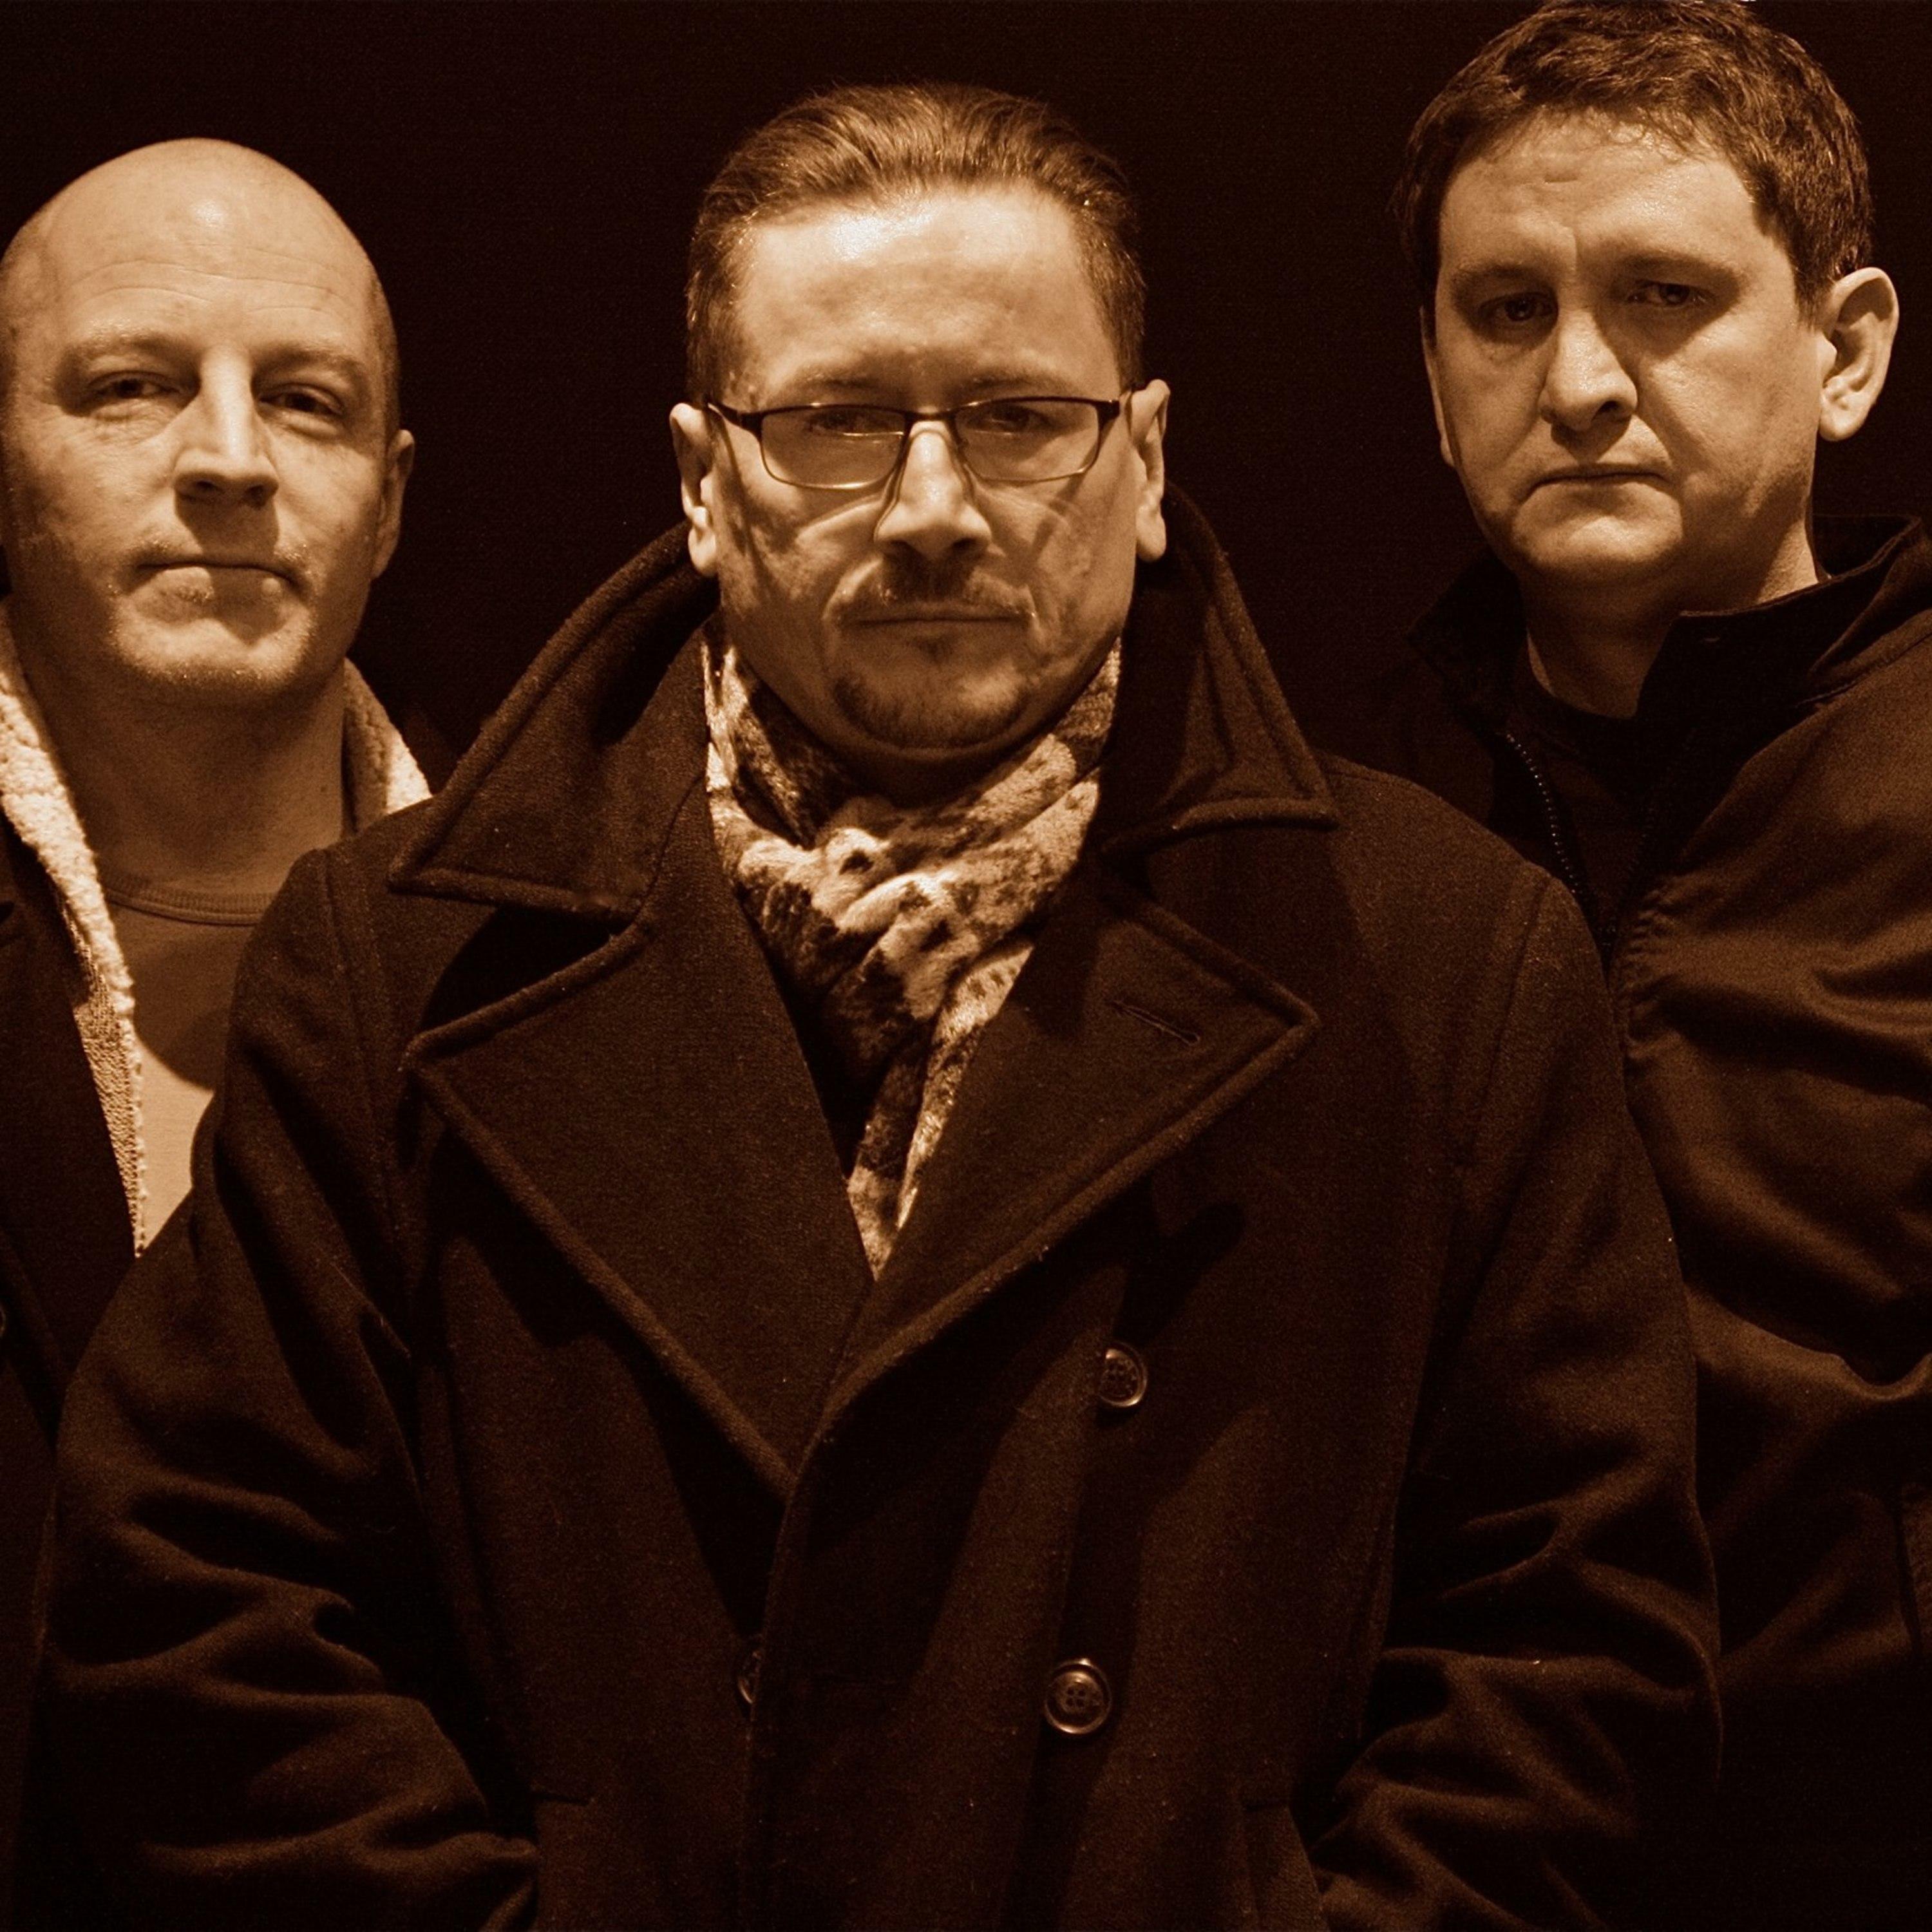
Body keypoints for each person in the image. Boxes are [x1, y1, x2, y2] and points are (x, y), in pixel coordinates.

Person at [42, 87, 1714, 1929]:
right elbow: (197, 1609)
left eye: (1019, 420)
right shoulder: (402, 964)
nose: (931, 509)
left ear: (1148, 462)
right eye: (838, 423)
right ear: (703, 483)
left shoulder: (1444, 960)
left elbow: (1577, 1652)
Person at [1345, 3, 1932, 1923]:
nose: (1582, 382)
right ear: (1436, 384)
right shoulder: (1324, 829)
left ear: (1846, 351)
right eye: (1506, 312)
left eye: (1665, 297)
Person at [0, 139, 425, 1909]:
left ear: (390, 502)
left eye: (306, 402)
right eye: (131, 387)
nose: (232, 460)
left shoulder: (557, 978)